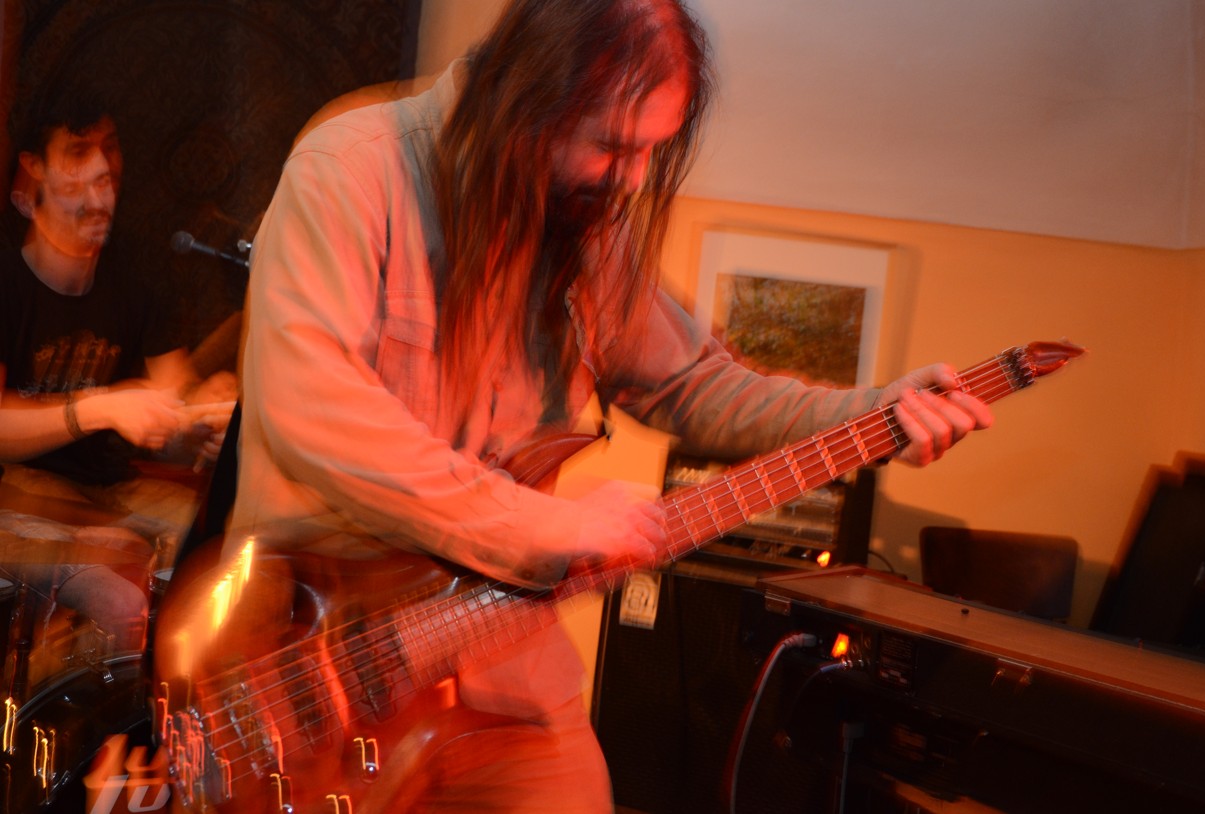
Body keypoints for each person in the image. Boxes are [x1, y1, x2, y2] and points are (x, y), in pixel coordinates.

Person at [230, 0, 992, 809]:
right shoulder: (351, 168)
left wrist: (875, 414)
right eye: (613, 146)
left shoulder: (586, 220)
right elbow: (313, 407)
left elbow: (690, 382)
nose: (631, 179)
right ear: (528, 100)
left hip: (503, 672)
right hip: (319, 655)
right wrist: (546, 525)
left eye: (650, 151)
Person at [0, 88, 233, 652]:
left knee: (227, 552)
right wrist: (98, 407)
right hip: (16, 500)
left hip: (109, 496)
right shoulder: (5, 277)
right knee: (120, 593)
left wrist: (204, 418)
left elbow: (173, 395)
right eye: (79, 152)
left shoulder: (134, 278)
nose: (102, 170)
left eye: (109, 150)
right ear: (33, 172)